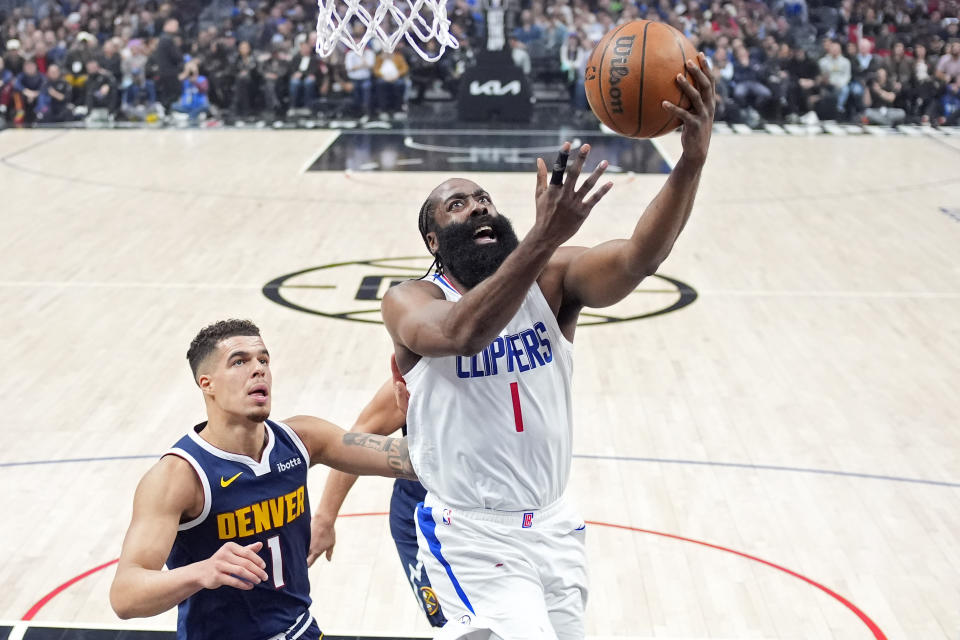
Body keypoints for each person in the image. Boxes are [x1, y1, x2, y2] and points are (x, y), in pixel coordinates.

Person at [380, 55, 715, 638]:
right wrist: (541, 236)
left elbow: (640, 256)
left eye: (484, 198)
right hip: (471, 534)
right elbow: (460, 334)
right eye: (457, 204)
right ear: (434, 239)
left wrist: (691, 162)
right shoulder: (409, 298)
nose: (478, 205)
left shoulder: (552, 278)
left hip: (555, 526)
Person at [109, 319, 418, 640]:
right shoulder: (180, 476)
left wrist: (422, 415)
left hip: (299, 630)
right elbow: (125, 596)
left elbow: (410, 461)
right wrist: (202, 571)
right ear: (207, 383)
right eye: (239, 361)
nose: (258, 369)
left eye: (264, 360)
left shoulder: (303, 437)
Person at [310, 364, 447, 628]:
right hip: (420, 519)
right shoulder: (419, 376)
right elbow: (356, 438)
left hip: (495, 515)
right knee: (454, 624)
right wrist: (325, 518)